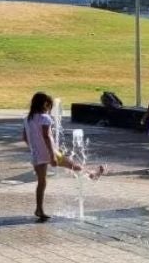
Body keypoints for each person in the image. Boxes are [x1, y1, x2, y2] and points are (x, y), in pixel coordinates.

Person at [23, 92, 104, 223]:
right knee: (74, 166)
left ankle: (39, 209)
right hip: (50, 154)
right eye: (49, 105)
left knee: (41, 182)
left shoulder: (27, 119)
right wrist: (52, 154)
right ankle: (92, 175)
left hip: (37, 154)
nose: (49, 108)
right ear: (44, 104)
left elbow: (25, 137)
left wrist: (34, 148)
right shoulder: (45, 118)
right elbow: (46, 137)